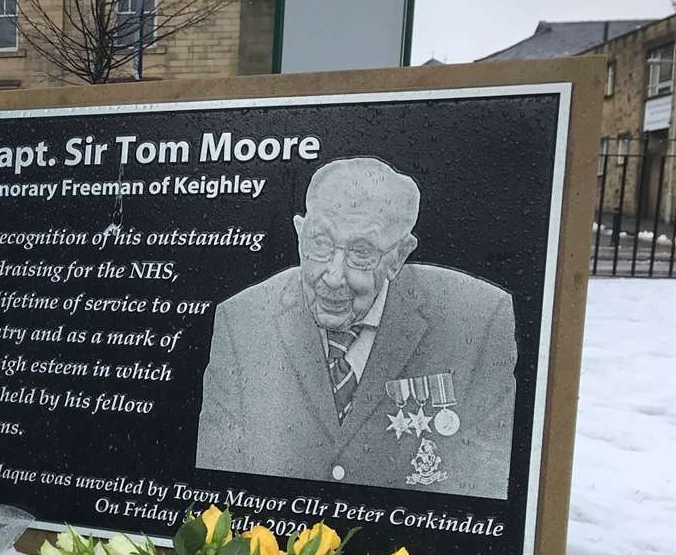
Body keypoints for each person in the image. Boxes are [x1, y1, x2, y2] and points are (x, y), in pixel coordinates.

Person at [194, 156, 517, 500]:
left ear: (399, 256)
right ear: (300, 233)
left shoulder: (478, 319)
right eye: (320, 243)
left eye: (361, 252)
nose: (332, 277)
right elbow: (219, 487)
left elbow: (484, 485)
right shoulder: (242, 319)